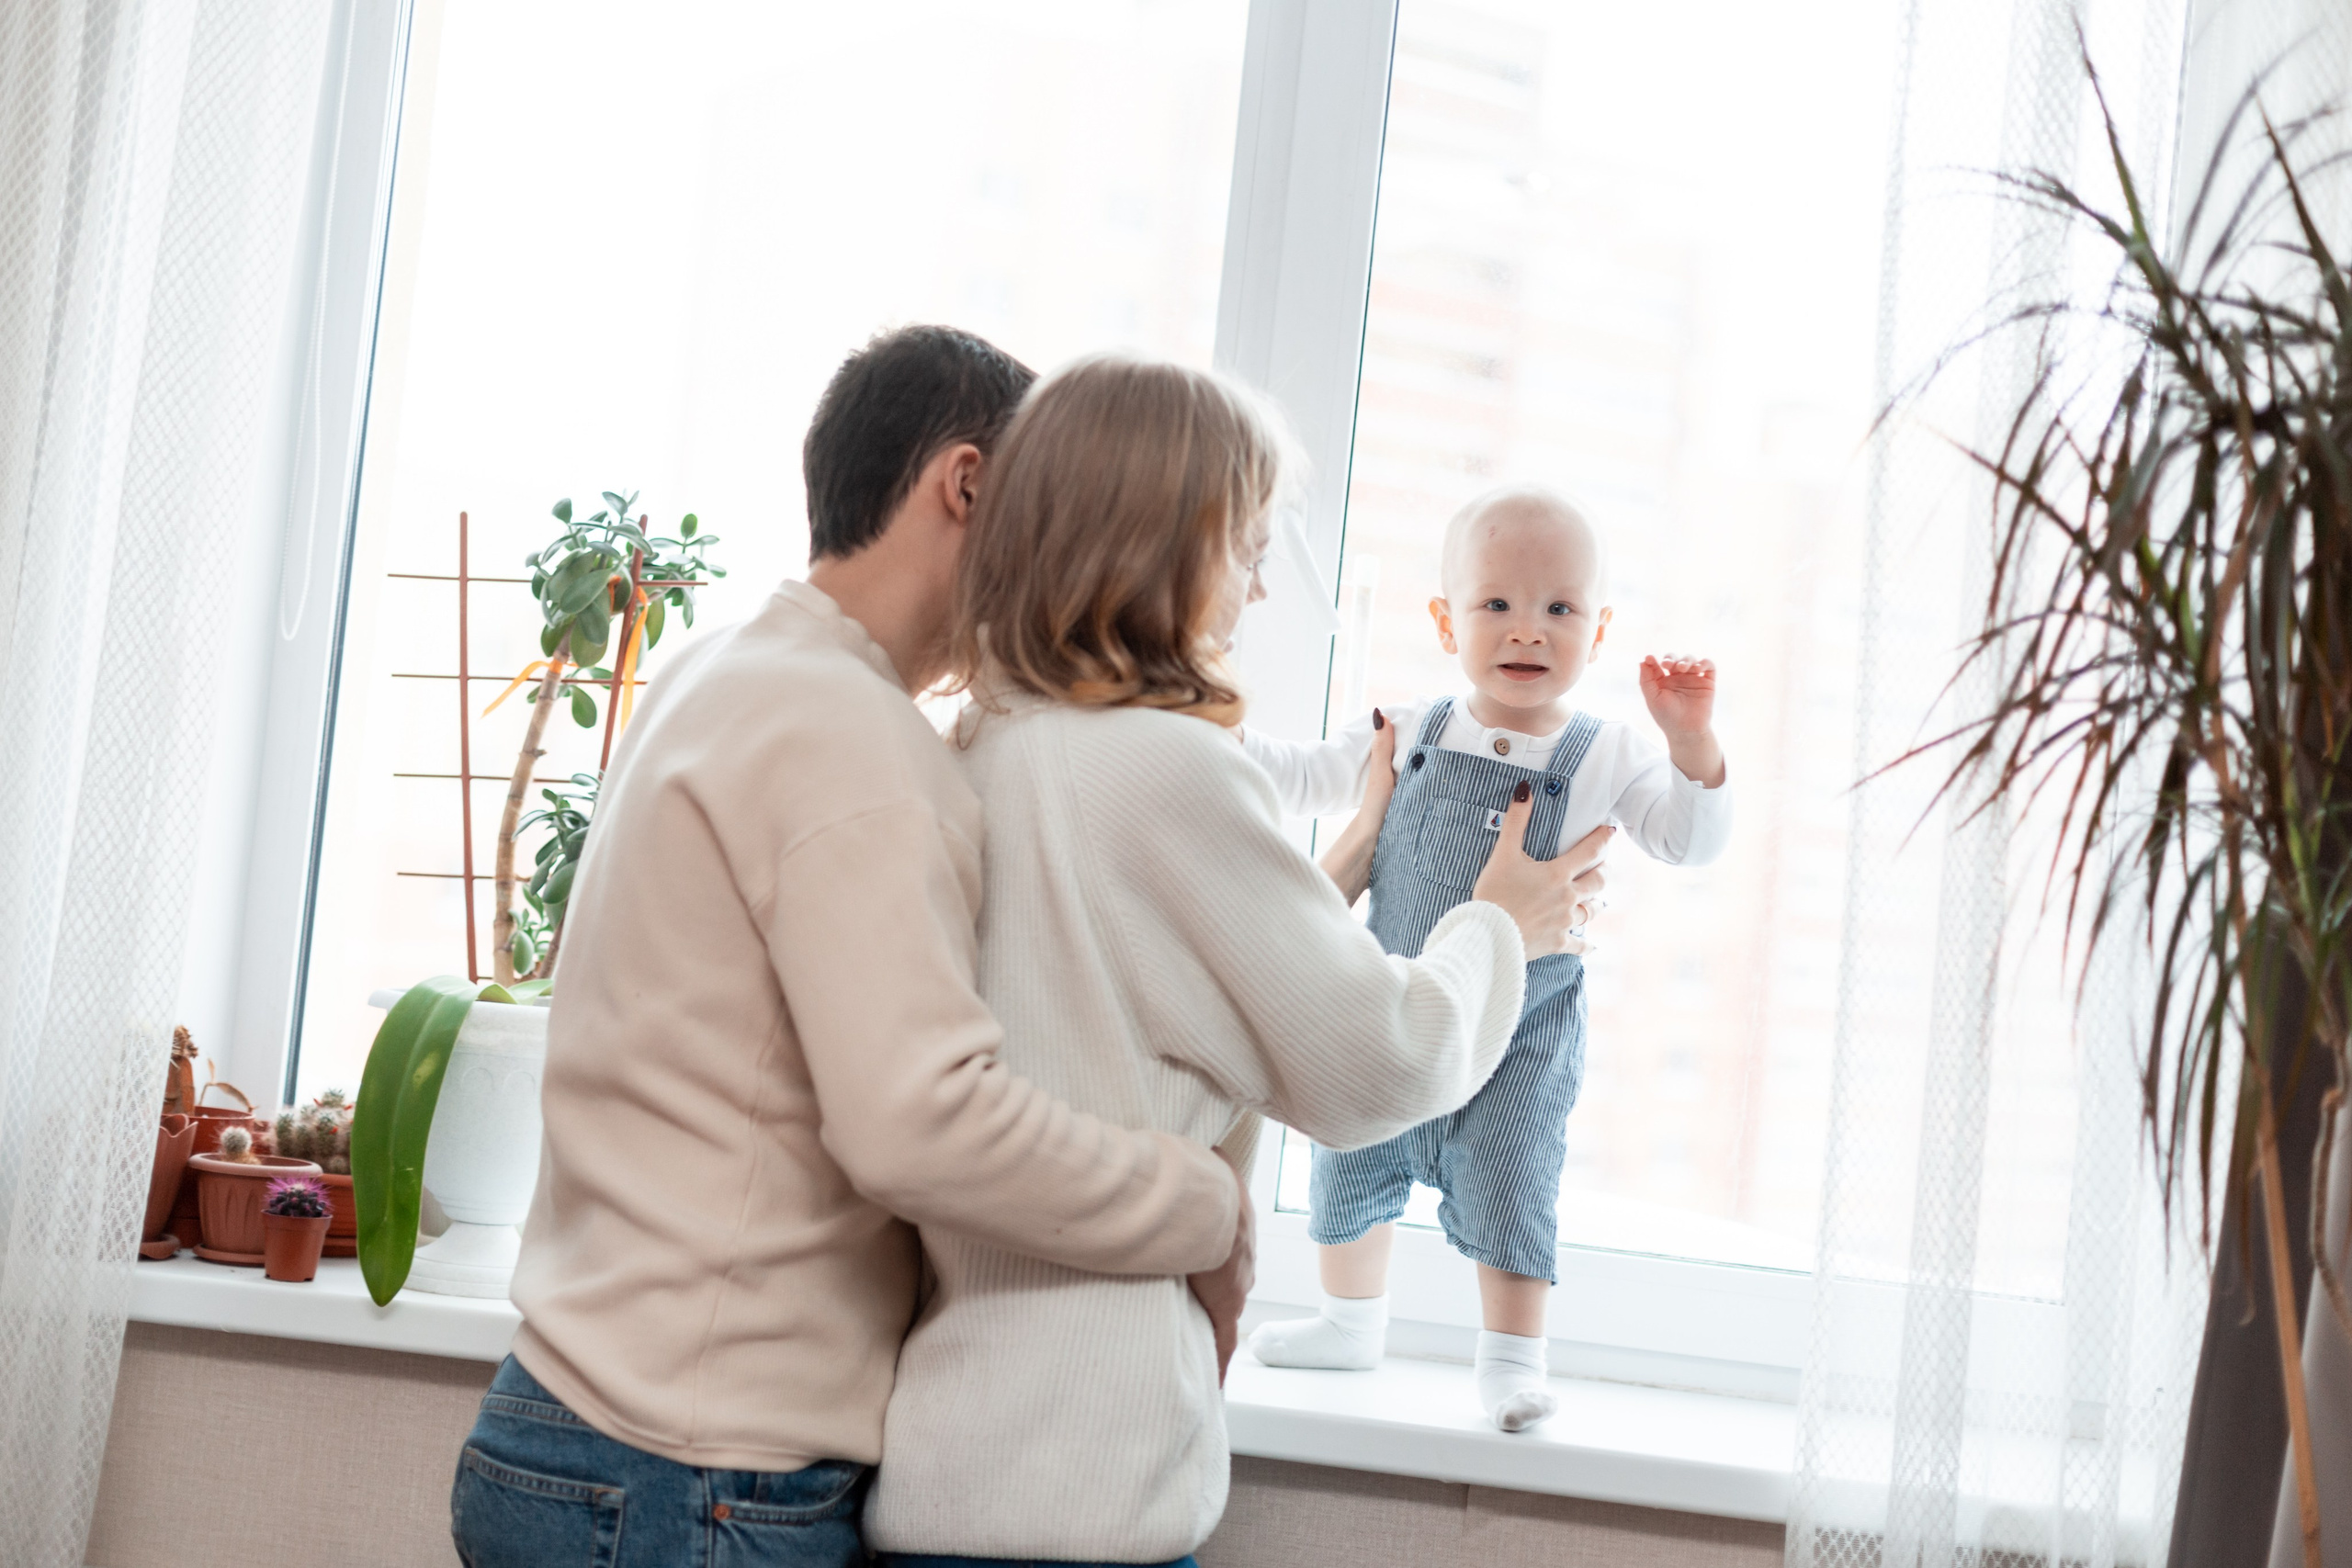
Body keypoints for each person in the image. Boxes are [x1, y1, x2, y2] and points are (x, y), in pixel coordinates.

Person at [449, 327, 1255, 1568]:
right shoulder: (856, 739)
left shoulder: (713, 669)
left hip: (555, 1421)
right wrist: (1195, 1199)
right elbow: (921, 1123)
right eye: (1040, 508)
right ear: (971, 484)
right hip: (692, 1474)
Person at [860, 356, 1611, 1568]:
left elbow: (1152, 991)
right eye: (1250, 542)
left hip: (950, 1450)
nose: (1261, 583)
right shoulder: (1169, 769)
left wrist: (1357, 848)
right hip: (1078, 1489)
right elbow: (1382, 1061)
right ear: (1167, 542)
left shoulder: (991, 745)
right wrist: (1502, 924)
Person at [1242, 486, 1731, 1432]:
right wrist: (1203, 727)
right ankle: (1350, 1322)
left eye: (1560, 609)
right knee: (1349, 1149)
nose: (1528, 632)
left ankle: (1511, 1361)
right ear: (1443, 619)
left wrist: (1691, 746)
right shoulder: (1410, 726)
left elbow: (1686, 843)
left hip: (1521, 1027)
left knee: (1514, 1175)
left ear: (1599, 630)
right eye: (1496, 605)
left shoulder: (1611, 750)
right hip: (1387, 1006)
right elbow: (1298, 776)